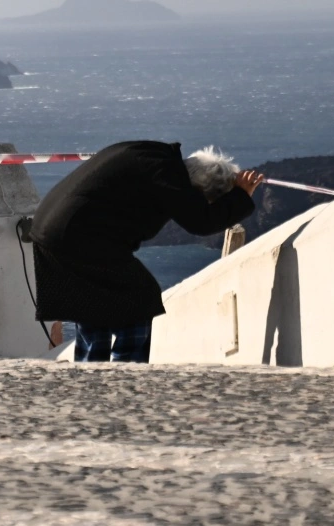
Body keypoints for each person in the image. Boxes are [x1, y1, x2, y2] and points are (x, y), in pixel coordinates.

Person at [30, 141, 263, 363]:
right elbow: (202, 222)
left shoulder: (158, 157)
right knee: (141, 299)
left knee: (93, 308)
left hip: (51, 228)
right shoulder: (167, 177)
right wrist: (240, 196)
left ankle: (91, 378)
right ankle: (127, 373)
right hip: (78, 235)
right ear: (200, 189)